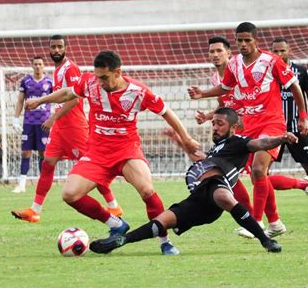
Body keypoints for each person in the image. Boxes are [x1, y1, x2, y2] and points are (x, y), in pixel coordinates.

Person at [25, 50, 199, 255]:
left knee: (147, 190)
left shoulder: (137, 91)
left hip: (126, 150)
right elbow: (67, 93)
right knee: (70, 194)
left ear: (118, 72)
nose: (100, 82)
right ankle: (115, 223)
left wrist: (186, 138)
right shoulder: (91, 82)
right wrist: (40, 101)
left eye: (105, 78)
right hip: (97, 151)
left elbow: (166, 112)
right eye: (98, 77)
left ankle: (164, 241)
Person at [89, 107, 299, 255]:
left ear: (233, 127)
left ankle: (266, 240)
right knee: (163, 221)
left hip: (218, 186)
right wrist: (179, 141)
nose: (214, 127)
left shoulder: (240, 141)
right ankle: (120, 241)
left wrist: (280, 138)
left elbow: (261, 142)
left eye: (220, 124)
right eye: (213, 123)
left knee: (223, 195)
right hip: (199, 196)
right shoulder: (217, 149)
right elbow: (201, 158)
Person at [188, 22, 308, 238]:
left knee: (257, 170)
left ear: (256, 41)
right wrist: (202, 94)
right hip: (248, 125)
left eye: (247, 40)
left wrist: (302, 116)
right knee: (252, 175)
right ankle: (275, 223)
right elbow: (225, 88)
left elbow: (295, 86)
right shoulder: (234, 64)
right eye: (239, 41)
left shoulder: (271, 61)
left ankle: (256, 222)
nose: (243, 44)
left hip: (272, 123)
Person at [11, 35, 122, 223]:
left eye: (59, 47)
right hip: (61, 128)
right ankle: (35, 210)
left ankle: (113, 206)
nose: (56, 50)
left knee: (91, 168)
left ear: (65, 48)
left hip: (74, 127)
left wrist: (52, 118)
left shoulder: (70, 69)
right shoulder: (56, 71)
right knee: (47, 164)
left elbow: (75, 99)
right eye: (53, 47)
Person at [271, 37, 308, 214]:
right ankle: (268, 211)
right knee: (261, 169)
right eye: (275, 51)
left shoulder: (301, 72)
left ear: (289, 51)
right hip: (273, 129)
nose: (279, 54)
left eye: (282, 50)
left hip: (298, 128)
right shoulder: (267, 72)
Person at [11, 56, 52, 193]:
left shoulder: (49, 82)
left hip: (43, 123)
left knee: (43, 154)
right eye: (35, 64)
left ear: (44, 66)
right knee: (26, 152)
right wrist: (15, 119)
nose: (38, 66)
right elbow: (20, 101)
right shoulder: (26, 81)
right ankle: (22, 185)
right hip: (29, 122)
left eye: (40, 64)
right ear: (32, 66)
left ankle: (43, 182)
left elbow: (57, 100)